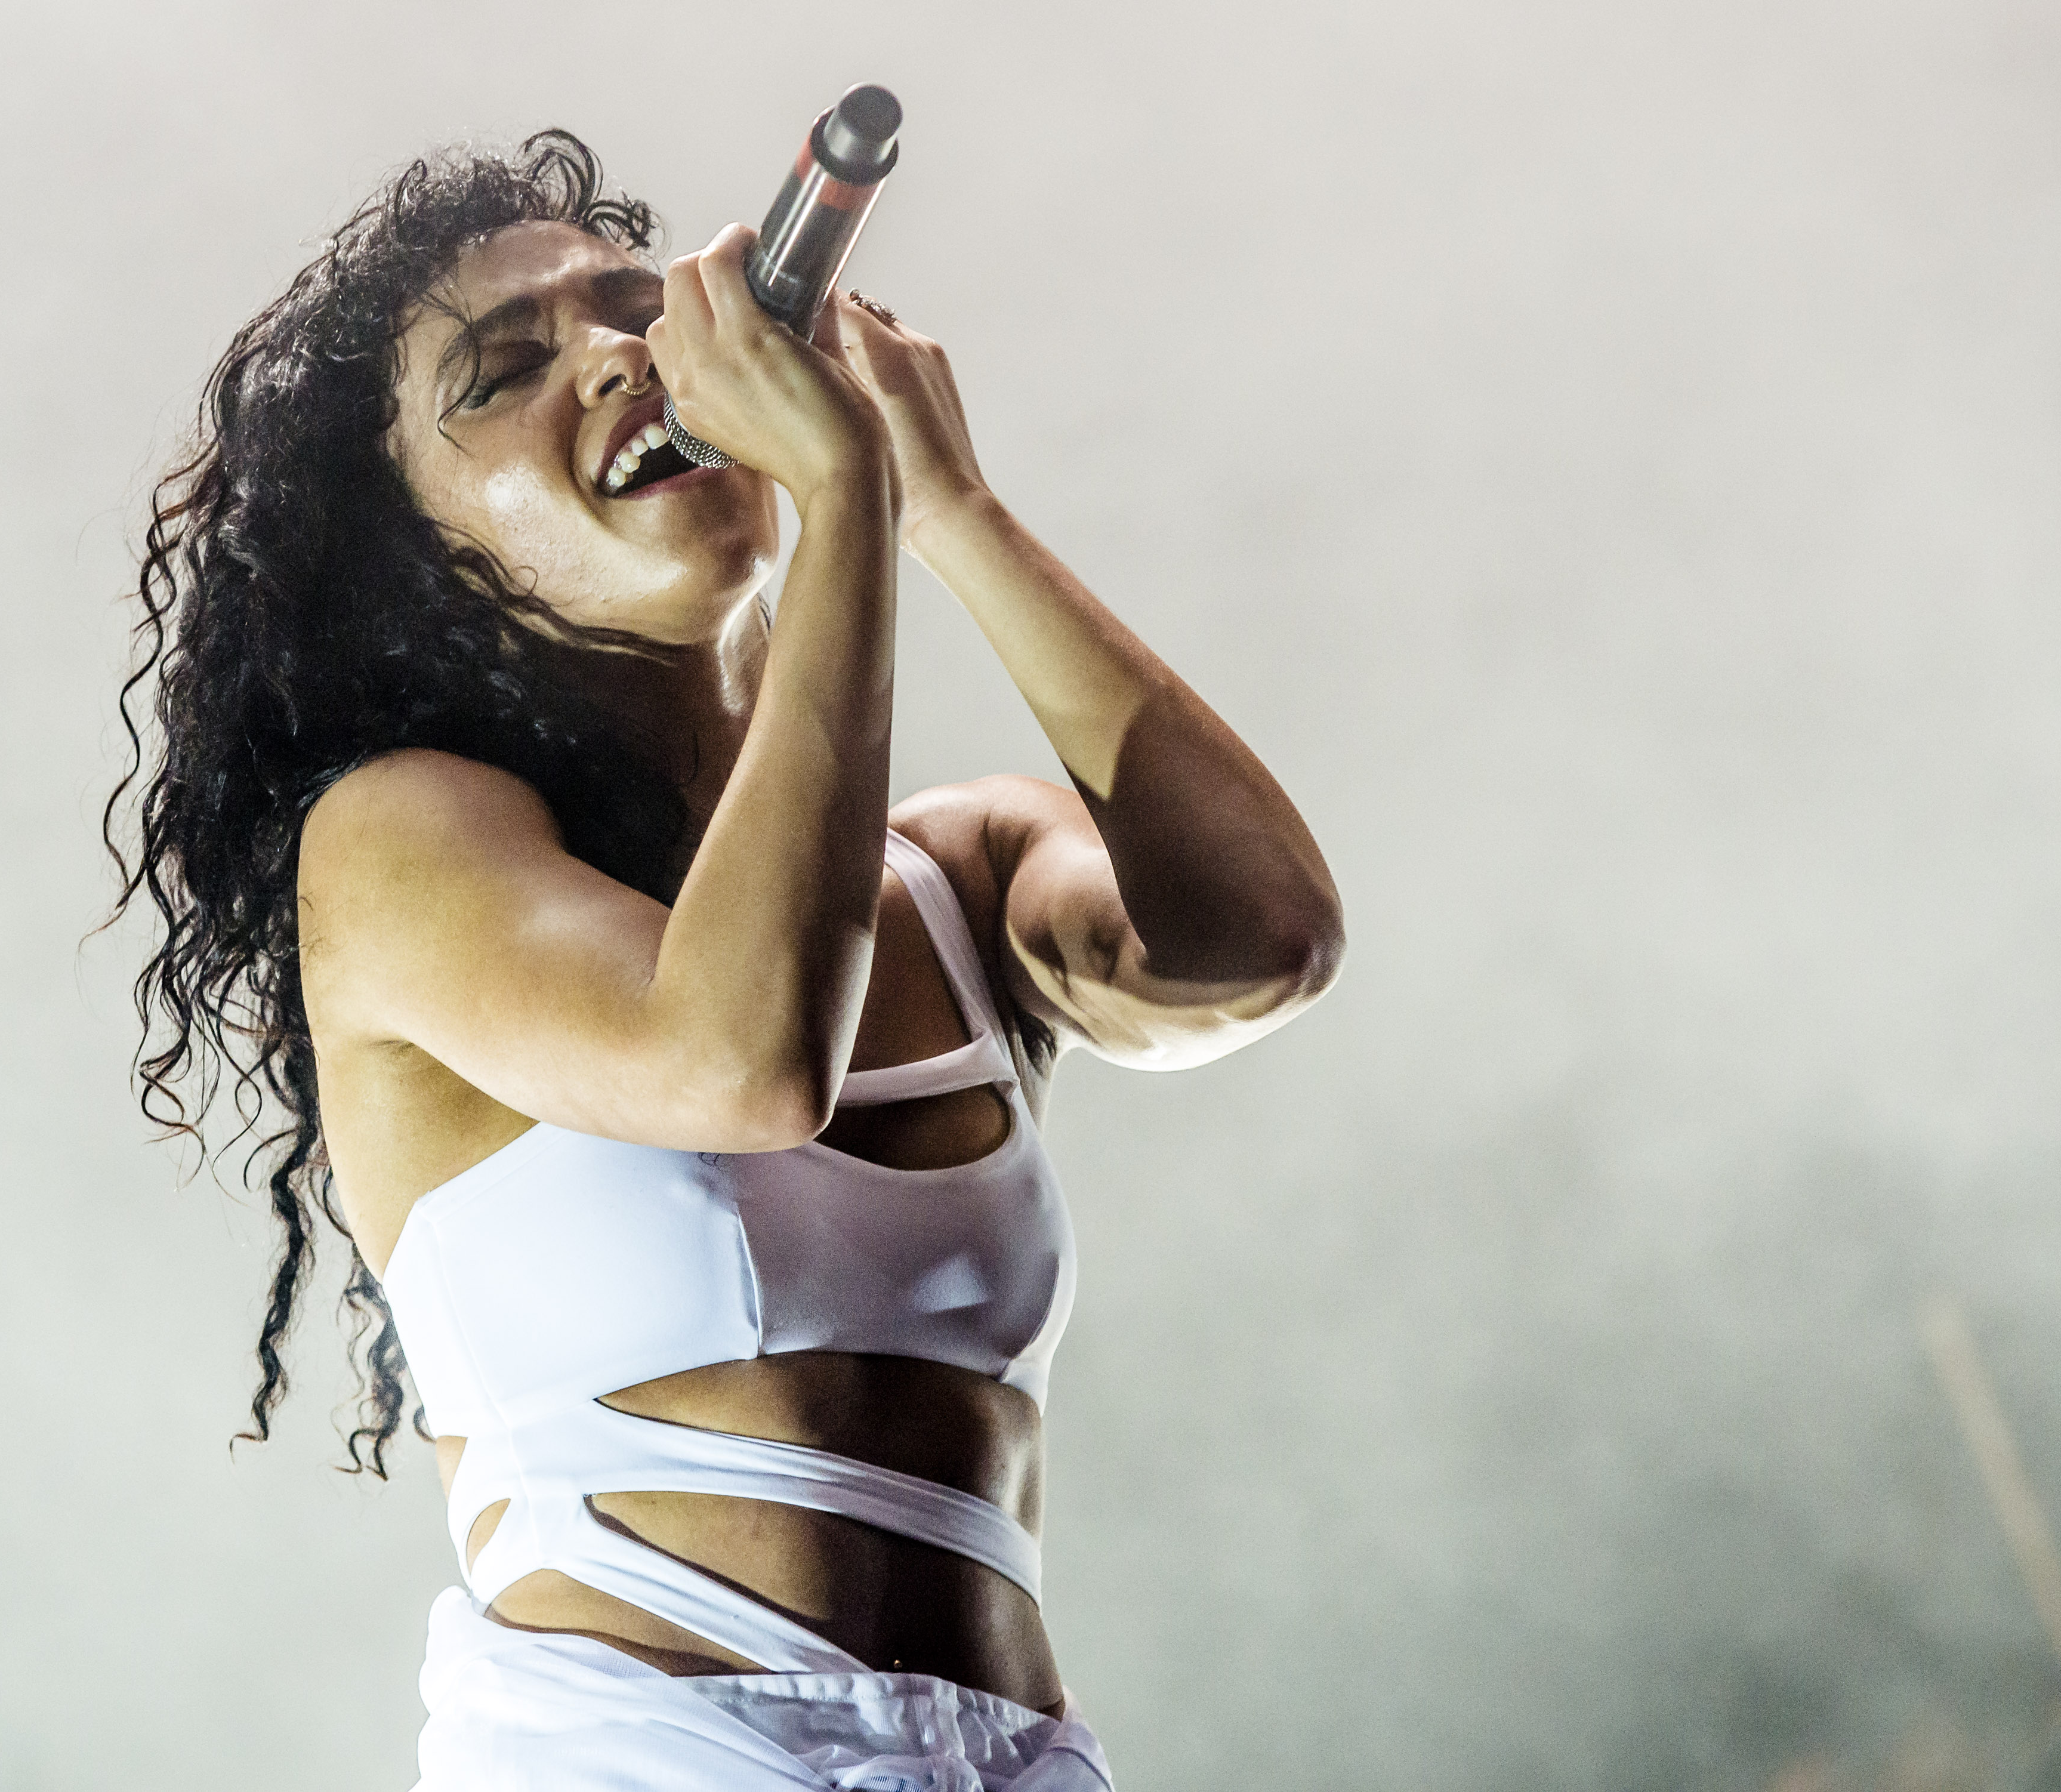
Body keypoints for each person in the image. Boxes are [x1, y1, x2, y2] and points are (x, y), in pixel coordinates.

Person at [109, 129, 1344, 1791]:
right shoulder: (401, 844)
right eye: (506, 369)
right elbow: (738, 1057)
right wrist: (845, 503)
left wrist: (950, 505)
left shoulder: (955, 873)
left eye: (639, 310)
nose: (620, 355)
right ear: (421, 556)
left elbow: (1263, 942)